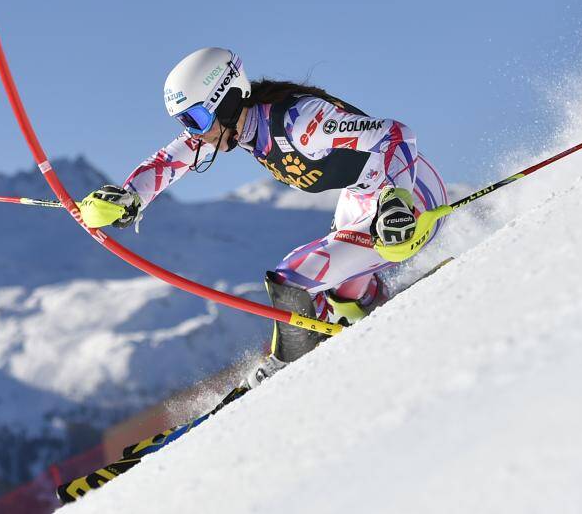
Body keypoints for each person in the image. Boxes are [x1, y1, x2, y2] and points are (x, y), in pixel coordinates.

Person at [79, 47, 450, 388]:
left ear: (225, 100)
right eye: (185, 122)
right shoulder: (233, 128)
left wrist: (397, 200)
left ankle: (291, 366)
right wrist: (129, 197)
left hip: (407, 199)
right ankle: (371, 309)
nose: (195, 133)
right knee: (336, 294)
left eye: (195, 118)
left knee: (292, 279)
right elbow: (169, 162)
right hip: (363, 198)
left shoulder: (299, 123)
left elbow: (396, 135)